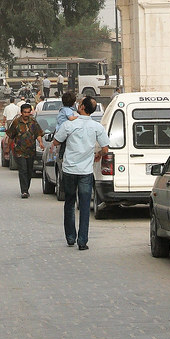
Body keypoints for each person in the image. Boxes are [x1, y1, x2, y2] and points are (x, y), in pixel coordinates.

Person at [53, 96, 108, 251]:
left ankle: (70, 237)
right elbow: (105, 149)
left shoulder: (69, 125)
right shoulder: (97, 127)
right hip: (85, 171)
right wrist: (97, 154)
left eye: (80, 102)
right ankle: (82, 241)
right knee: (84, 206)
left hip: (69, 169)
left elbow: (56, 141)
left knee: (69, 203)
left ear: (83, 107)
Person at [6, 102, 44, 198]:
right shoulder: (16, 122)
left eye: (28, 112)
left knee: (29, 170)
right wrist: (7, 147)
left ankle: (26, 187)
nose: (26, 114)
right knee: (23, 170)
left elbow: (38, 133)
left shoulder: (33, 121)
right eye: (24, 112)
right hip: (19, 151)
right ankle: (24, 191)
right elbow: (11, 135)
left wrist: (40, 142)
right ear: (21, 112)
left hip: (31, 150)